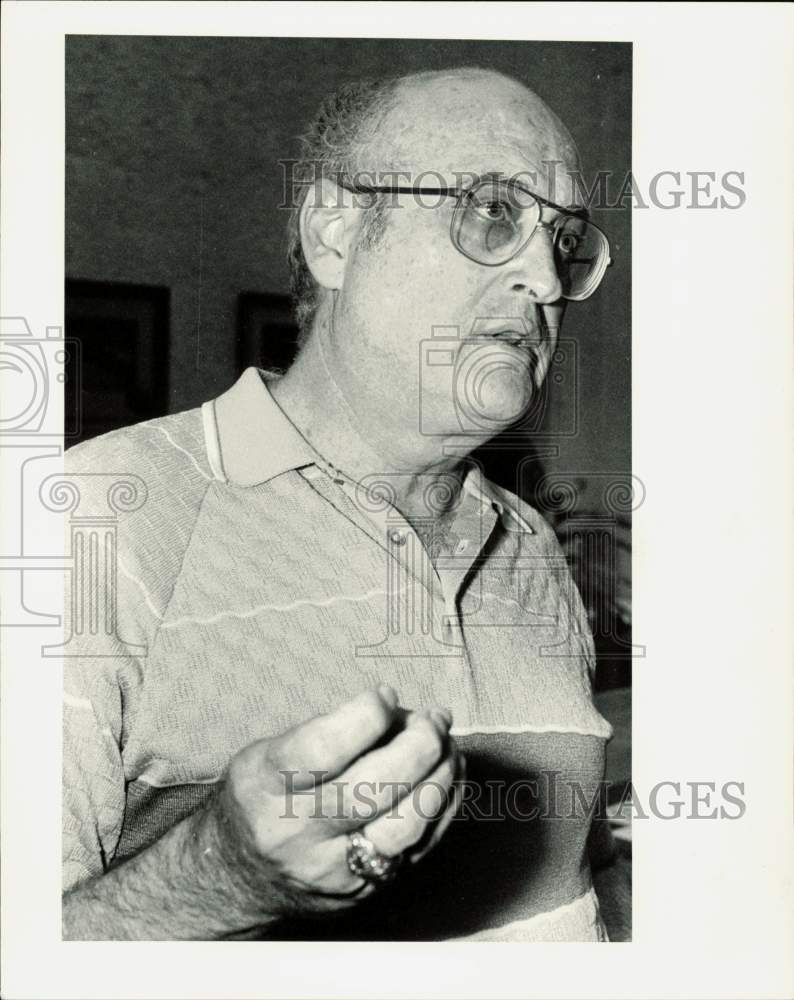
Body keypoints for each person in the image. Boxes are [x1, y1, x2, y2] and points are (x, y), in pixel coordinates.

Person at [62, 66, 627, 941]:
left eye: (563, 240)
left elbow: (567, 884)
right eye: (493, 213)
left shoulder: (527, 542)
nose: (547, 282)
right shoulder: (92, 518)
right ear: (336, 232)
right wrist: (221, 877)